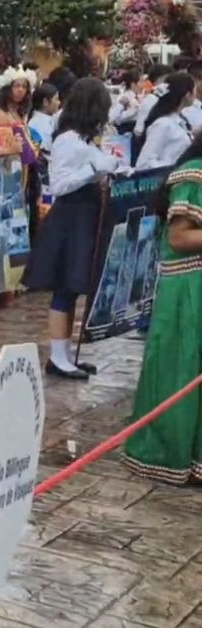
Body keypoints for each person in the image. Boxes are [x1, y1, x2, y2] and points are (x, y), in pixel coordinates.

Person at [22, 78, 124, 381]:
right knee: (64, 288)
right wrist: (95, 169)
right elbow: (61, 183)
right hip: (70, 218)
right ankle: (56, 355)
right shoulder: (67, 139)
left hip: (85, 216)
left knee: (72, 288)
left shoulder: (82, 139)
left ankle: (64, 354)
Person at [122, 136, 202, 484]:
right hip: (187, 289)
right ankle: (170, 454)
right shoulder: (193, 174)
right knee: (181, 367)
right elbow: (179, 238)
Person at [136, 72, 196, 171]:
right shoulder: (162, 125)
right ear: (187, 94)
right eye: (194, 90)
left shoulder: (180, 121)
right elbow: (143, 164)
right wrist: (176, 165)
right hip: (167, 179)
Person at [135, 64, 173, 136]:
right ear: (158, 79)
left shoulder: (159, 96)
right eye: (166, 79)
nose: (168, 83)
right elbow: (139, 129)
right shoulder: (151, 98)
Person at [28, 83, 61, 148]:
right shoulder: (35, 124)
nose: (59, 102)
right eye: (56, 99)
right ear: (45, 101)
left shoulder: (51, 118)